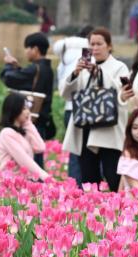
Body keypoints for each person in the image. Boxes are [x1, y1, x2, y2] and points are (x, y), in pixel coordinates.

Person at [61, 27, 129, 190]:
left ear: (109, 46)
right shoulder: (84, 68)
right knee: (89, 177)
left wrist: (100, 73)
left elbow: (124, 94)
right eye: (92, 44)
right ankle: (94, 204)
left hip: (109, 129)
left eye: (99, 44)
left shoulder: (119, 67)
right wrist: (75, 73)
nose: (95, 48)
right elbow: (67, 94)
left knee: (113, 175)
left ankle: (118, 204)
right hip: (86, 127)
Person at [0, 31, 56, 153]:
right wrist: (18, 68)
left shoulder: (34, 68)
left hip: (31, 121)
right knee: (37, 154)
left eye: (27, 48)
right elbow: (28, 81)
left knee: (30, 156)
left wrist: (8, 65)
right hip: (42, 119)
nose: (26, 52)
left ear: (35, 49)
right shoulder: (47, 69)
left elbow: (8, 79)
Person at [54, 25, 91, 180]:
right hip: (86, 109)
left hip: (69, 108)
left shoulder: (64, 52)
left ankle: (73, 187)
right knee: (88, 153)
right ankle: (86, 187)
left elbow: (61, 82)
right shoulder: (88, 53)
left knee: (74, 151)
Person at [0, 92, 50, 180]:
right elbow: (24, 160)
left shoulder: (24, 131)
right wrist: (46, 177)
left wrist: (28, 123)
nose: (28, 112)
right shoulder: (7, 133)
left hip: (24, 181)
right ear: (14, 109)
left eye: (28, 108)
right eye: (24, 108)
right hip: (10, 181)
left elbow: (40, 147)